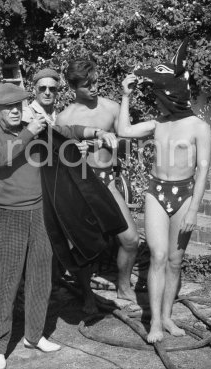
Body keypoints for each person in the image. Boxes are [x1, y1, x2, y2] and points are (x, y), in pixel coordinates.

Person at [0, 83, 117, 369]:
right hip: (7, 215)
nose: (15, 111)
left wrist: (96, 132)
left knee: (41, 277)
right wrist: (30, 132)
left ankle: (33, 335)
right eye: (8, 107)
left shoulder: (36, 126)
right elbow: (2, 158)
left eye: (19, 105)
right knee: (5, 281)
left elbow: (67, 131)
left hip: (41, 211)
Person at [116, 39, 211, 343]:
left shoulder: (199, 127)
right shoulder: (157, 123)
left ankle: (168, 317)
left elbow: (204, 170)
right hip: (157, 191)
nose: (155, 102)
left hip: (185, 195)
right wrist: (125, 97)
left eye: (158, 96)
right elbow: (124, 131)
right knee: (157, 256)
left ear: (170, 96)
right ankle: (154, 322)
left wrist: (195, 209)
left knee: (174, 260)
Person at [57, 59, 140, 314]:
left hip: (107, 181)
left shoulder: (112, 108)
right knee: (83, 247)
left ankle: (124, 287)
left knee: (130, 239)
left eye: (95, 83)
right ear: (73, 87)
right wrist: (75, 151)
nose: (93, 89)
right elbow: (59, 160)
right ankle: (87, 295)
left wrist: (106, 145)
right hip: (81, 186)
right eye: (86, 85)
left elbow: (129, 146)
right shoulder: (65, 118)